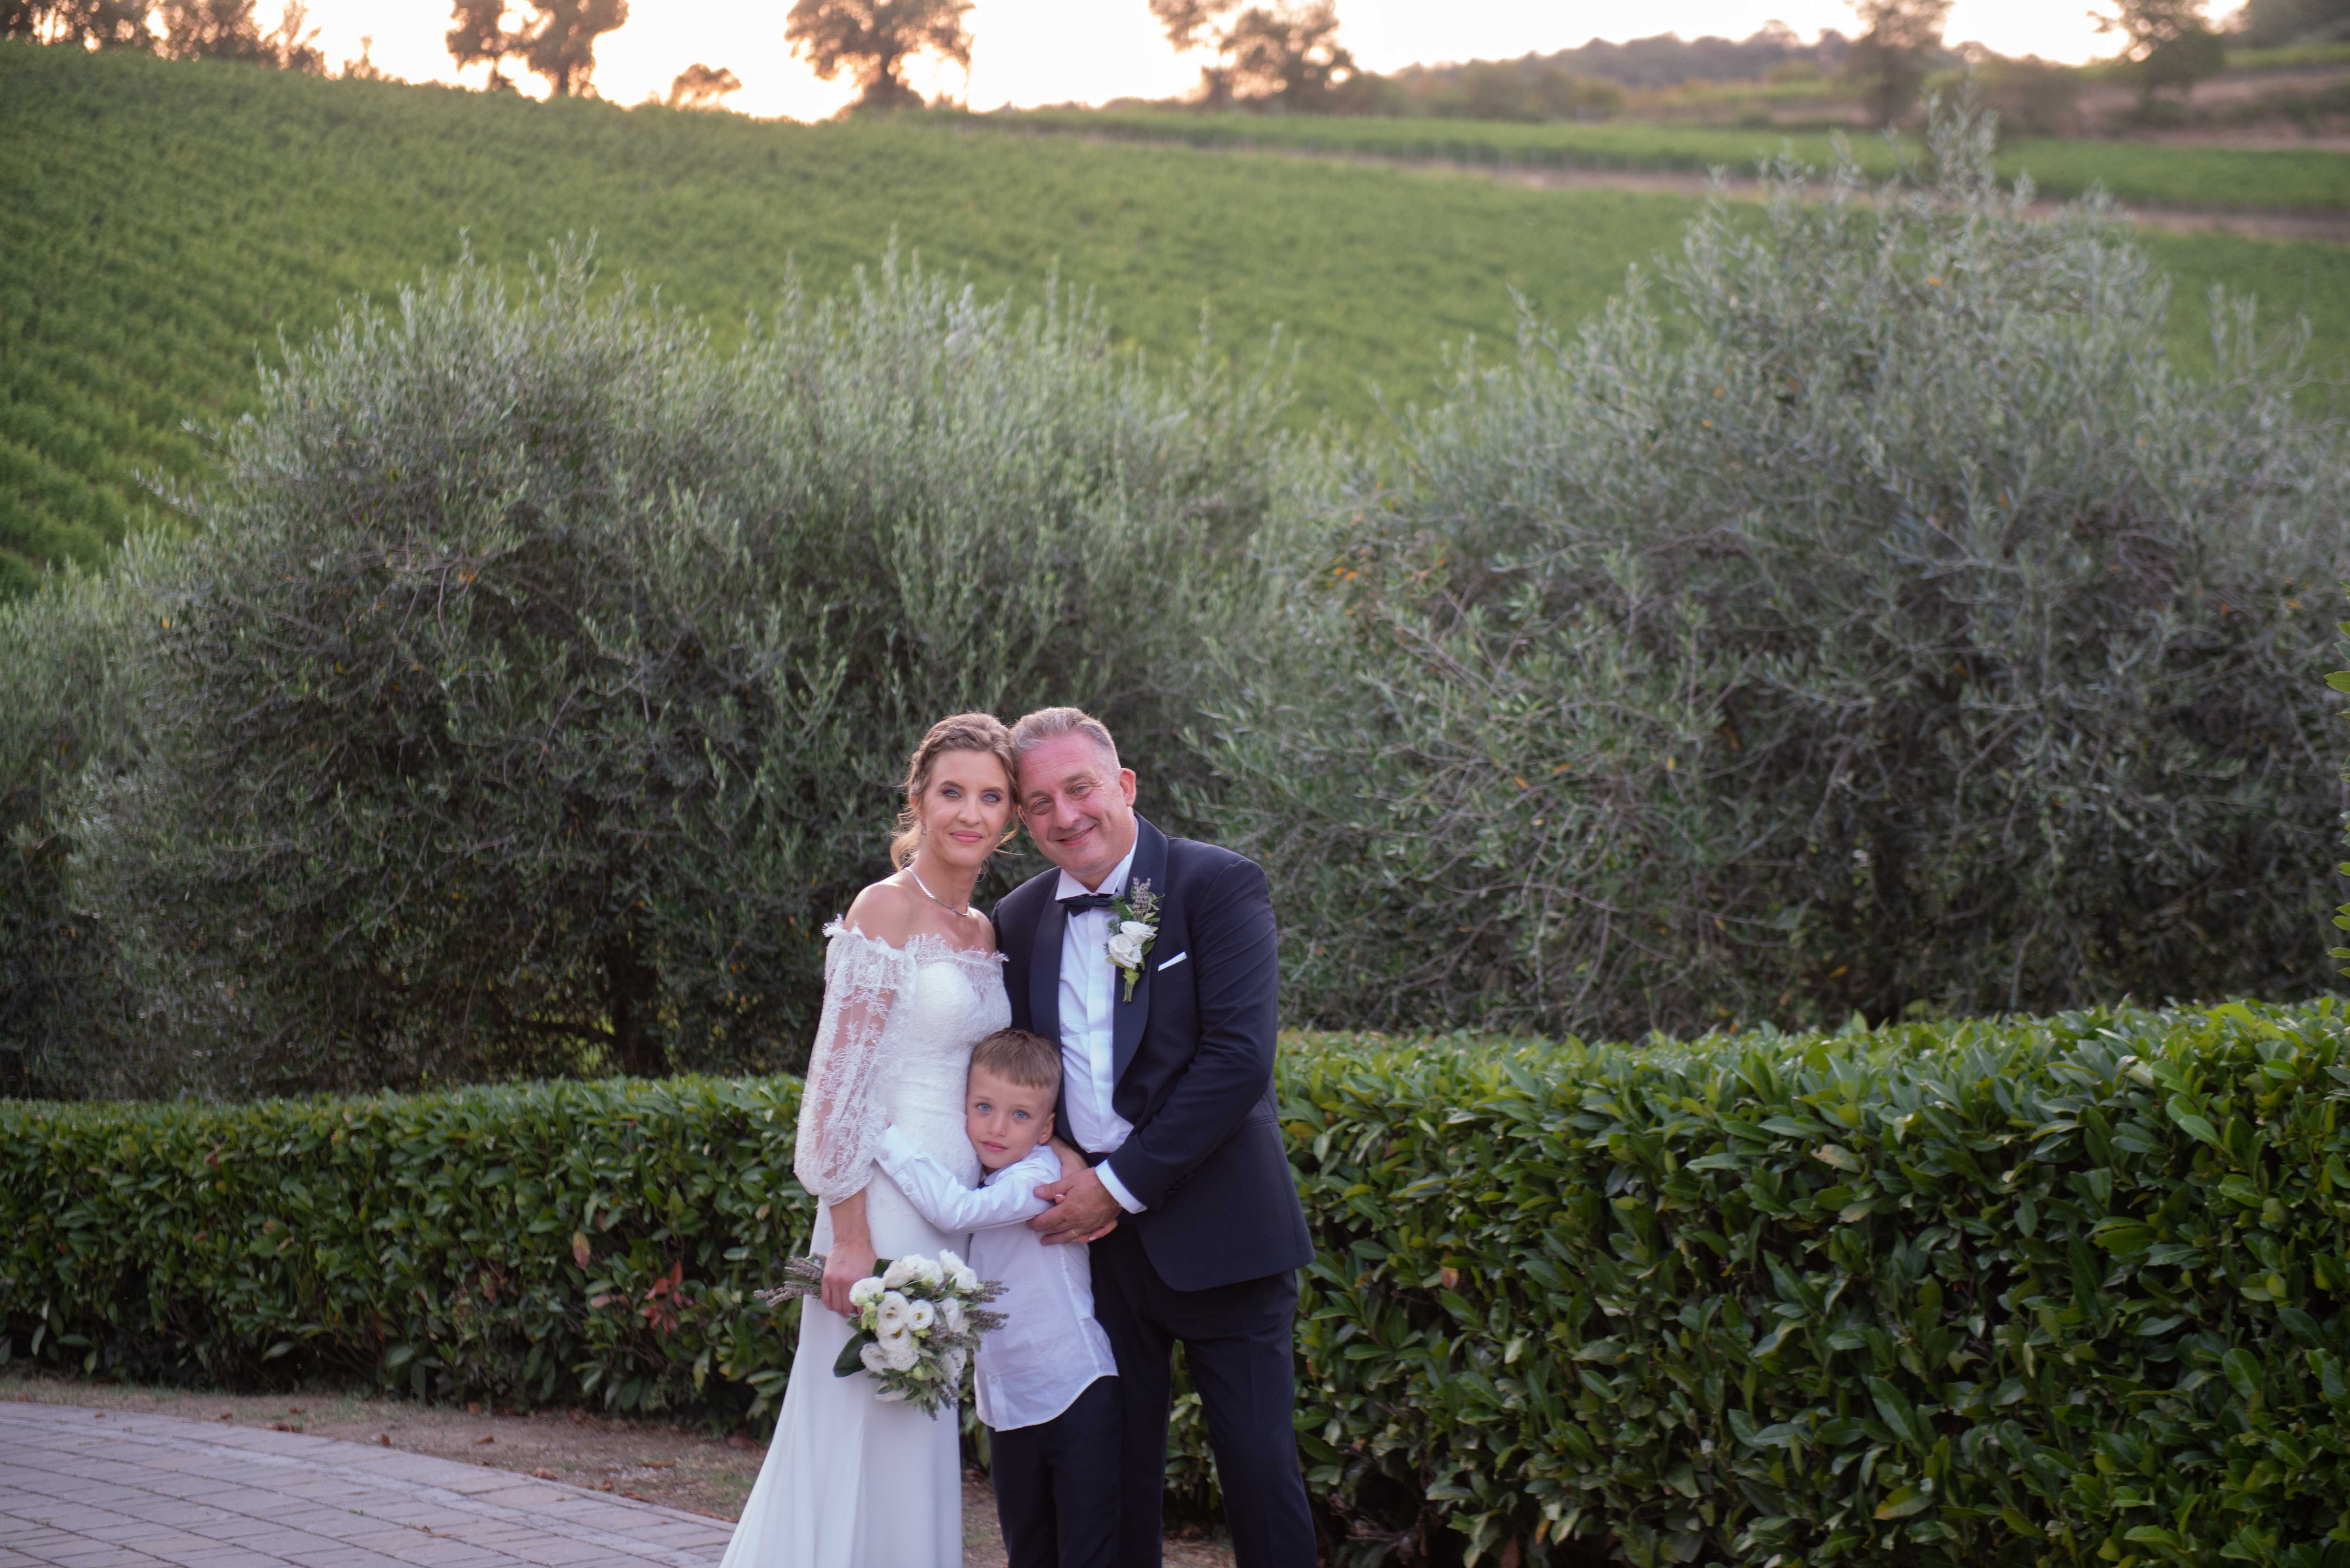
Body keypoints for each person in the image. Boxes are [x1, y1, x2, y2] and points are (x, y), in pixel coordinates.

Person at [992, 706, 1318, 1568]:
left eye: (1080, 788)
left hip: (1225, 1235)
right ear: (1023, 818)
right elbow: (1018, 1075)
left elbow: (1237, 1060)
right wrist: (1061, 1163)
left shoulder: (1216, 884)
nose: (1065, 815)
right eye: (1039, 803)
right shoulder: (1018, 919)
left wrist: (1118, 1184)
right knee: (1112, 1482)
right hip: (1094, 1254)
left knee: (1258, 1472)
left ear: (1125, 784)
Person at [719, 713, 1026, 1568]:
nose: (970, 813)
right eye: (952, 791)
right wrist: (848, 1235)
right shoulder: (884, 907)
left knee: (916, 1423)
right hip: (879, 1202)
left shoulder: (985, 930)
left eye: (991, 797)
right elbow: (838, 1084)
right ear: (918, 799)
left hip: (948, 1208)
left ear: (1010, 815)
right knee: (857, 1415)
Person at [871, 1027, 1122, 1568]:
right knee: (1027, 1551)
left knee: (1088, 1554)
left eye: (1020, 1115)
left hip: (1075, 1390)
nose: (997, 1128)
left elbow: (956, 1212)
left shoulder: (1037, 1176)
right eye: (984, 1107)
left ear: (1046, 1130)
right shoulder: (989, 1176)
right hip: (1008, 1402)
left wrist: (883, 1136)